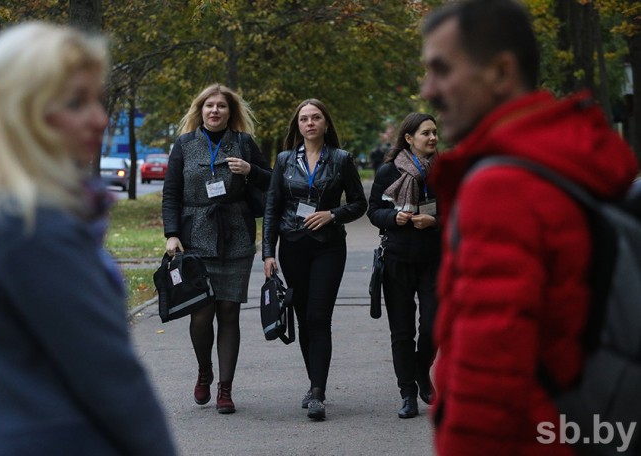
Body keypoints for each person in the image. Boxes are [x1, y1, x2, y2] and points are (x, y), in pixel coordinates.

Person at [420, 0, 638, 454]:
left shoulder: (501, 186)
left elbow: (489, 380)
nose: (428, 90)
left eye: (441, 70)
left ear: (501, 72)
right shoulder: (563, 160)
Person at [0, 22, 177, 455]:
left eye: (97, 99)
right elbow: (109, 377)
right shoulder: (33, 225)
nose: (99, 118)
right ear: (20, 113)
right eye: (76, 102)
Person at [162, 83, 271, 414]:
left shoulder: (243, 143)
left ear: (230, 112)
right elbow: (171, 193)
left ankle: (225, 388)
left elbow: (272, 183)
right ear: (200, 110)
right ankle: (204, 372)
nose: (215, 111)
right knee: (201, 313)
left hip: (235, 236)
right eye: (209, 106)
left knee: (228, 312)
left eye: (221, 106)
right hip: (195, 236)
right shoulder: (184, 145)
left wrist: (250, 170)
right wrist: (171, 234)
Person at [262, 98, 367, 421]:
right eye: (304, 118)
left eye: (316, 117)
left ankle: (318, 392)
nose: (310, 123)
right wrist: (267, 252)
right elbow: (272, 208)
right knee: (304, 315)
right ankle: (313, 381)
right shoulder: (283, 160)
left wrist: (333, 215)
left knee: (319, 317)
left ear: (325, 123)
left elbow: (360, 204)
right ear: (298, 125)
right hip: (292, 246)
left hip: (328, 247)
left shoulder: (341, 159)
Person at [366, 112, 440, 419]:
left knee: (434, 326)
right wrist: (392, 219)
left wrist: (434, 220)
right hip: (397, 259)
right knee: (402, 331)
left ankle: (422, 370)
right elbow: (373, 211)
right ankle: (407, 392)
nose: (433, 137)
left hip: (434, 259)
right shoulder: (388, 172)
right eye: (426, 133)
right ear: (409, 139)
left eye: (435, 132)